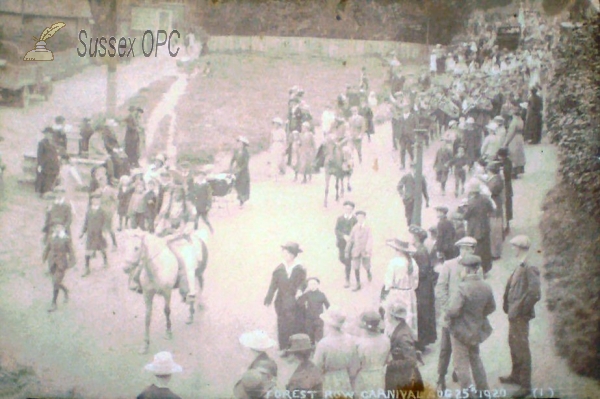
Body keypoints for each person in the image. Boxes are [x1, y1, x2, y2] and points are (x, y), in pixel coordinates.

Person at [446, 254, 495, 394]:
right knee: (476, 360)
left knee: (461, 365)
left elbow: (453, 310)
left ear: (466, 270)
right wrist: (478, 315)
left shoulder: (462, 288)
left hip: (460, 332)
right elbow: (491, 307)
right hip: (476, 330)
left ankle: (467, 394)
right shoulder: (486, 286)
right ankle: (483, 391)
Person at [500, 235, 541, 399]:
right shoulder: (521, 265)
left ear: (520, 248)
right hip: (514, 314)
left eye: (514, 247)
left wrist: (521, 310)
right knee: (513, 344)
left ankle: (525, 385)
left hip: (519, 315)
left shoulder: (529, 267)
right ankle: (516, 375)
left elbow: (535, 293)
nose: (512, 249)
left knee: (522, 348)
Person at [434, 236, 477, 391]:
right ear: (459, 249)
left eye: (470, 249)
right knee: (445, 348)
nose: (466, 252)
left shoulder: (477, 267)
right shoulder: (449, 265)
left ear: (473, 250)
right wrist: (447, 308)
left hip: (467, 318)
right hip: (450, 316)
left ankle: (458, 371)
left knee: (465, 348)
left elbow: (477, 291)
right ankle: (440, 378)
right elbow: (440, 289)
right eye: (463, 248)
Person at [264, 242, 307, 354]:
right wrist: (269, 297)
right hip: (282, 301)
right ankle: (283, 347)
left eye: (287, 254)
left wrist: (300, 290)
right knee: (282, 324)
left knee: (295, 323)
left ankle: (295, 347)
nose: (285, 256)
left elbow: (303, 282)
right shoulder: (279, 269)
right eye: (284, 254)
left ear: (293, 255)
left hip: (295, 301)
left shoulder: (300, 269)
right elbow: (273, 284)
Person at [313, 307, 358, 397]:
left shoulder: (323, 344)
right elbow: (354, 368)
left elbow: (317, 367)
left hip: (329, 380)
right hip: (345, 379)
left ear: (328, 324)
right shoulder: (351, 340)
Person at [385, 301, 424, 394]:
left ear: (393, 316)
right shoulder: (400, 327)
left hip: (404, 378)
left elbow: (411, 361)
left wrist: (390, 365)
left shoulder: (403, 335)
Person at [380, 239, 418, 334]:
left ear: (399, 250)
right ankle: (408, 337)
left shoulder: (394, 262)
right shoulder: (413, 262)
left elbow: (388, 283)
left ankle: (393, 337)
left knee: (394, 317)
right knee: (408, 317)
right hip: (409, 294)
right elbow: (416, 283)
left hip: (397, 293)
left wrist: (386, 291)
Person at [409, 225, 437, 351]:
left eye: (412, 236)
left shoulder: (419, 252)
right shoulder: (420, 249)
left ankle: (421, 342)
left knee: (421, 312)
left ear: (416, 238)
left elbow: (423, 271)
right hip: (425, 286)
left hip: (422, 287)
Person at [354, 311, 390, 396]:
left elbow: (355, 365)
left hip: (364, 377)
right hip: (380, 375)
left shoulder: (360, 343)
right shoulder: (385, 340)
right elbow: (387, 360)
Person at [43, 223, 76, 312]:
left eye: (59, 227)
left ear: (62, 228)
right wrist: (43, 260)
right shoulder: (51, 237)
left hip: (61, 264)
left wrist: (71, 263)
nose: (57, 229)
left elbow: (71, 252)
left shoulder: (66, 239)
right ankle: (65, 290)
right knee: (55, 282)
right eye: (56, 227)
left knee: (56, 282)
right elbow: (47, 249)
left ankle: (54, 303)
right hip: (52, 263)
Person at [462, 183, 493, 275]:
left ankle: (477, 269)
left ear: (472, 192)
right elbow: (491, 210)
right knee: (486, 250)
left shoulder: (471, 202)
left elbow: (466, 216)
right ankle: (486, 268)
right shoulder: (485, 199)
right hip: (485, 227)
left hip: (474, 229)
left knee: (476, 250)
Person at [80, 193, 108, 277]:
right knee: (88, 250)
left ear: (100, 201)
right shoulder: (89, 211)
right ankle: (87, 267)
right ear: (91, 201)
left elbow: (105, 222)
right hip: (90, 234)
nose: (96, 201)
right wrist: (83, 232)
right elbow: (86, 222)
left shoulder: (102, 211)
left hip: (99, 234)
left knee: (102, 249)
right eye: (94, 199)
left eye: (97, 200)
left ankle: (105, 262)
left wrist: (103, 231)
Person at [345, 210, 373, 292]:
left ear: (364, 218)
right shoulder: (354, 228)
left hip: (365, 251)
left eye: (361, 217)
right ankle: (358, 283)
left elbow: (370, 239)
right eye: (358, 218)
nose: (360, 219)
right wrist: (347, 250)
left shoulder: (367, 228)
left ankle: (368, 272)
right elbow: (350, 239)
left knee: (366, 265)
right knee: (356, 267)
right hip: (356, 250)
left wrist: (368, 249)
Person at [297, 277, 330, 344]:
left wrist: (326, 316)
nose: (313, 286)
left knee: (319, 337)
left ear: (318, 285)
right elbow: (299, 304)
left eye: (314, 284)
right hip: (309, 319)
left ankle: (319, 349)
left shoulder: (321, 295)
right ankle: (311, 349)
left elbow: (328, 306)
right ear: (308, 286)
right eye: (311, 284)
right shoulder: (307, 294)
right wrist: (299, 297)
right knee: (310, 336)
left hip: (319, 319)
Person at [335, 201, 357, 288]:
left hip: (350, 244)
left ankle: (347, 279)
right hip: (341, 242)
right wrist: (343, 236)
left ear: (352, 210)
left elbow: (356, 231)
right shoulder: (340, 219)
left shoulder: (354, 219)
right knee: (341, 258)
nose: (348, 210)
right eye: (346, 209)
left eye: (350, 209)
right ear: (344, 209)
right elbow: (336, 230)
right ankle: (348, 265)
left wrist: (351, 238)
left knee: (347, 260)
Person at [486, 162, 505, 260]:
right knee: (495, 232)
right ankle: (495, 252)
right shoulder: (497, 179)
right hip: (496, 208)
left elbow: (491, 191)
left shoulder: (495, 181)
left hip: (495, 209)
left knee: (495, 232)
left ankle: (495, 253)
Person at [36, 127, 61, 197]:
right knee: (46, 178)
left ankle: (49, 191)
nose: (48, 135)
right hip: (46, 165)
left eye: (50, 134)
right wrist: (40, 164)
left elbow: (56, 153)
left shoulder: (54, 143)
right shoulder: (42, 143)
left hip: (54, 164)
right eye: (46, 134)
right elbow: (40, 155)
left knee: (53, 177)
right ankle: (45, 192)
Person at [503, 106, 526, 177]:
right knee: (519, 154)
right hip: (520, 137)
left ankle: (513, 171)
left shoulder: (514, 122)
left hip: (514, 139)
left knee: (513, 154)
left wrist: (505, 143)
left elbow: (511, 133)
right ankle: (519, 169)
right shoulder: (521, 120)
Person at [496, 148, 513, 234]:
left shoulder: (508, 162)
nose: (500, 158)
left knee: (507, 206)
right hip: (501, 187)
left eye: (502, 157)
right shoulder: (496, 161)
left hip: (506, 186)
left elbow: (508, 174)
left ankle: (507, 225)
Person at [230, 136, 251, 207]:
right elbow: (232, 159)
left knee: (243, 185)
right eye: (238, 143)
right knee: (236, 184)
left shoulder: (246, 153)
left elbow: (245, 163)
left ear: (243, 145)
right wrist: (231, 166)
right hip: (237, 170)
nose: (238, 144)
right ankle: (239, 197)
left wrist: (240, 169)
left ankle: (242, 201)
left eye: (240, 143)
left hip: (244, 171)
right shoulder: (236, 151)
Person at [398, 104, 417, 169]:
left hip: (410, 137)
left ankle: (412, 161)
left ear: (409, 108)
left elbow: (416, 126)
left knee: (410, 150)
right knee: (402, 150)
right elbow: (398, 127)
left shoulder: (412, 117)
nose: (405, 109)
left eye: (407, 108)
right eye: (404, 108)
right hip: (403, 137)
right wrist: (398, 136)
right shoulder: (400, 118)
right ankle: (402, 164)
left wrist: (414, 135)